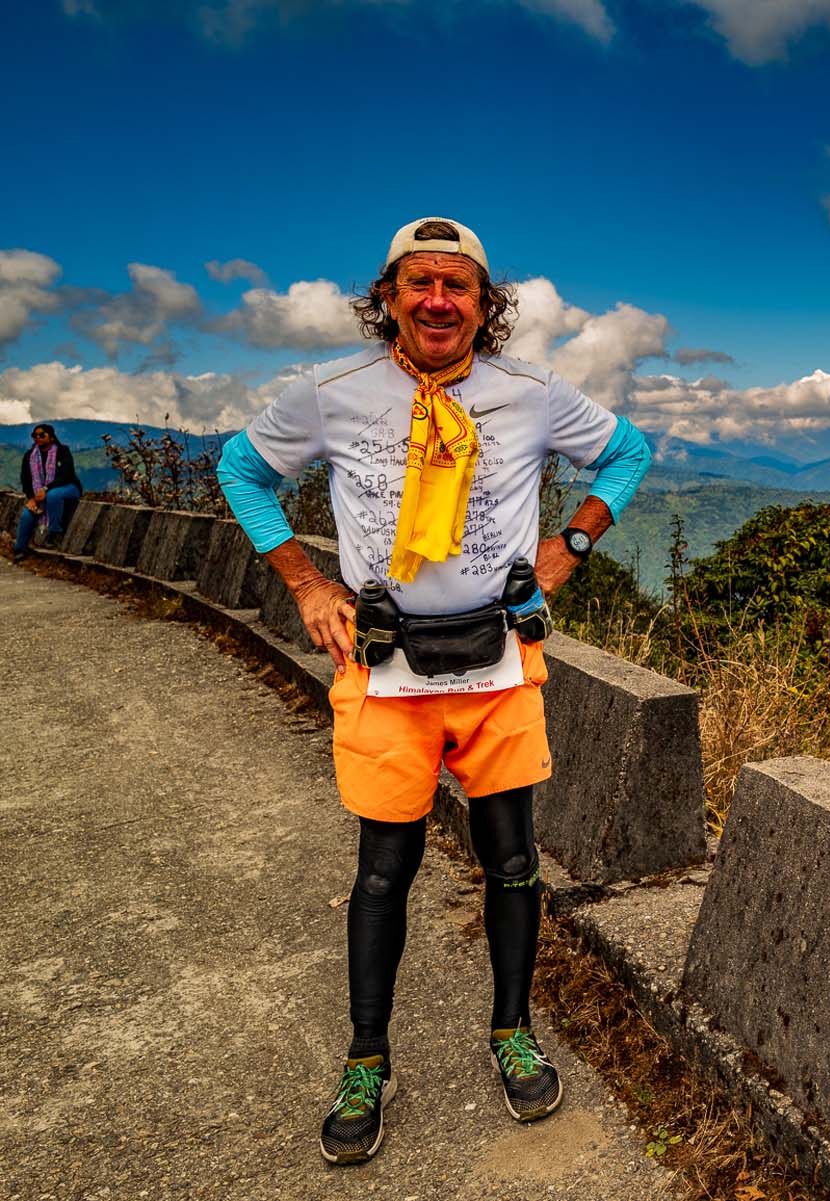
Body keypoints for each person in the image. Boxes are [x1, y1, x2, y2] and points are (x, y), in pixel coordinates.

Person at [215, 217, 651, 1166]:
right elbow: (240, 470)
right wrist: (306, 583)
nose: (439, 301)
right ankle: (366, 1059)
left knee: (514, 858)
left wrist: (569, 545)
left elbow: (629, 452)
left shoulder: (531, 392)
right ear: (389, 296)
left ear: (486, 305)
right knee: (384, 871)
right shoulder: (332, 392)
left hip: (499, 663)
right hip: (386, 666)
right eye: (421, 283)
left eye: (459, 286)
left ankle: (512, 1031)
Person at [13, 423, 82, 558]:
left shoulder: (62, 451)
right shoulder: (30, 456)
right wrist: (31, 499)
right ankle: (19, 549)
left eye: (41, 435)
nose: (37, 438)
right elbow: (26, 479)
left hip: (69, 487)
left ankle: (54, 532)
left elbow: (67, 475)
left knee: (53, 495)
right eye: (35, 435)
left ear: (51, 437)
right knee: (27, 514)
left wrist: (46, 488)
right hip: (40, 493)